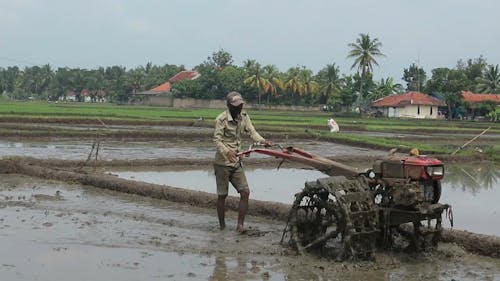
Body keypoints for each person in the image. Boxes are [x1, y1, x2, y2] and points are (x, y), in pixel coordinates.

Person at [213, 91, 272, 233]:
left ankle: (240, 226)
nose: (239, 108)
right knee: (222, 195)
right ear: (229, 105)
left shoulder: (244, 117)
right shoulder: (221, 119)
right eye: (236, 106)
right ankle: (222, 226)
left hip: (237, 161)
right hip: (223, 163)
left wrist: (263, 141)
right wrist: (227, 152)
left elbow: (252, 132)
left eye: (240, 105)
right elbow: (217, 140)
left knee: (245, 192)